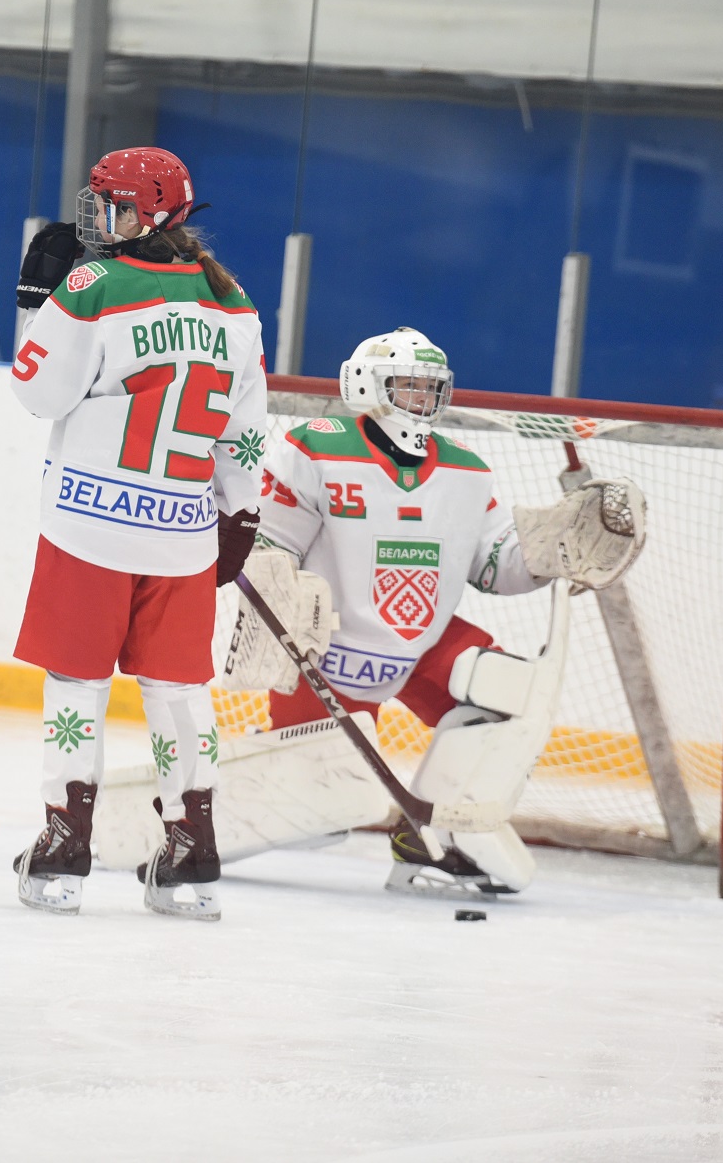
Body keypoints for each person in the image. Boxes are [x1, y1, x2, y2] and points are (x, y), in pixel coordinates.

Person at [241, 326, 643, 894]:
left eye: (431, 387)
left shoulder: (465, 469)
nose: (422, 399)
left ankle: (430, 838)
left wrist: (550, 553)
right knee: (316, 815)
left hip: (421, 645)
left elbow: (494, 564)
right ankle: (195, 813)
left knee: (506, 699)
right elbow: (268, 547)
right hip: (325, 649)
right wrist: (282, 604)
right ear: (367, 385)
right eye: (409, 385)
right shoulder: (315, 447)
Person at [8, 146, 268, 921]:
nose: (96, 216)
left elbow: (36, 391)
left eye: (107, 203)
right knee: (180, 695)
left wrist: (36, 301)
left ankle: (64, 846)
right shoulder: (232, 299)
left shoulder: (94, 285)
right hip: (183, 534)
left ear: (138, 213)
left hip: (89, 527)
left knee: (76, 686)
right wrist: (240, 514)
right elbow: (245, 432)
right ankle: (192, 852)